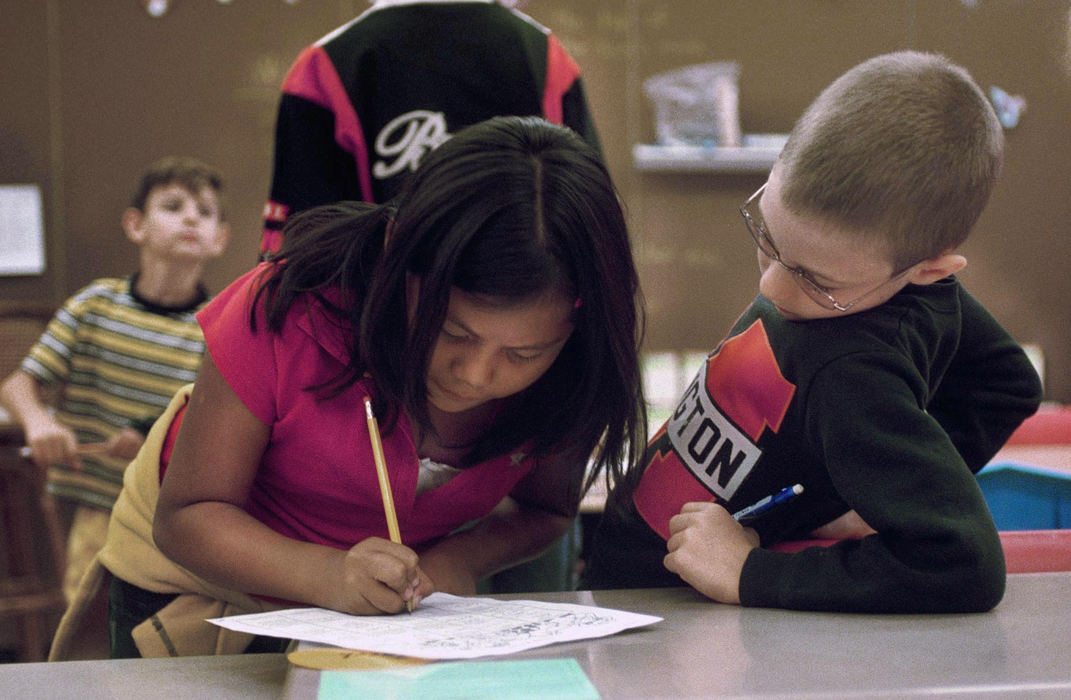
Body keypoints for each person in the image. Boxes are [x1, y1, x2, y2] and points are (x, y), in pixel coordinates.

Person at [50, 116, 645, 659]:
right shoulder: (289, 307)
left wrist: (458, 558)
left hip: (378, 620)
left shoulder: (581, 367)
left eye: (524, 354)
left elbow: (544, 508)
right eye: (450, 331)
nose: (475, 375)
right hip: (194, 584)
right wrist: (326, 575)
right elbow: (188, 516)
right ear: (398, 258)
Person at [583, 51, 1043, 613]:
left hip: (675, 615)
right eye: (769, 238)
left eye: (815, 279)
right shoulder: (891, 277)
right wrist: (862, 502)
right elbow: (1008, 380)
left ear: (929, 270)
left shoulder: (854, 379)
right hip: (624, 566)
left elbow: (962, 562)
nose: (773, 289)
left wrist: (754, 574)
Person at [0, 157, 229, 604]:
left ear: (220, 238)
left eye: (204, 212)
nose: (190, 218)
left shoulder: (220, 327)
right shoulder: (94, 305)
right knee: (89, 634)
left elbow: (215, 430)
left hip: (180, 524)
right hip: (100, 514)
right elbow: (17, 385)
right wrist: (39, 422)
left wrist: (152, 443)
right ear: (135, 224)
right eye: (173, 205)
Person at [260, 0, 602, 257]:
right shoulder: (542, 51)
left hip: (381, 336)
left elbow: (299, 252)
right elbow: (596, 224)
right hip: (530, 337)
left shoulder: (326, 62)